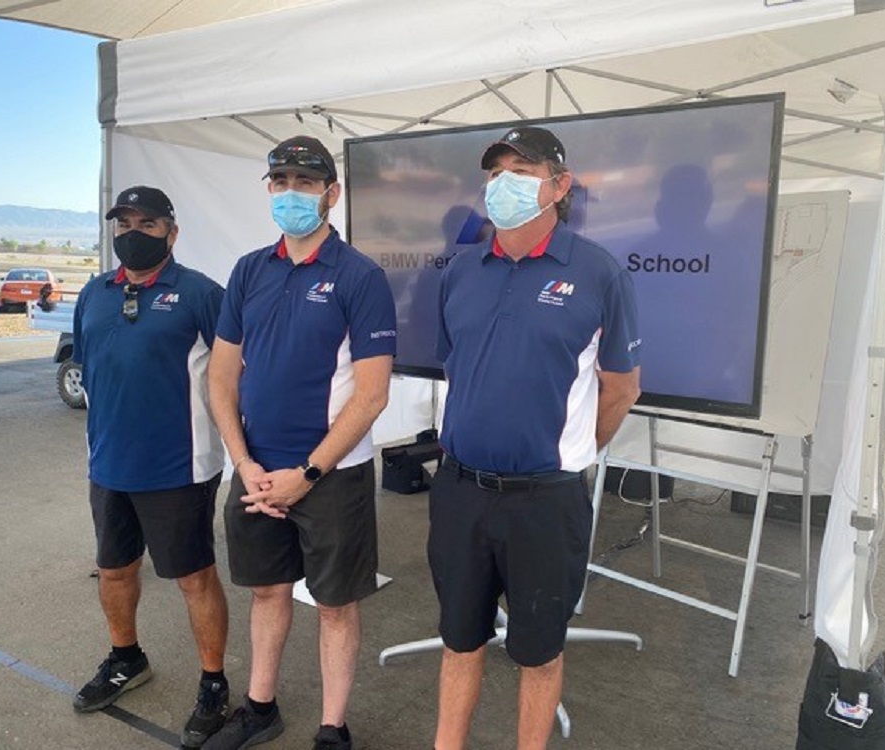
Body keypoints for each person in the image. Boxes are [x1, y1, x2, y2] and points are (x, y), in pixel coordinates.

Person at [430, 126, 642, 750]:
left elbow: (622, 388)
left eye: (522, 170)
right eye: (495, 172)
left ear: (560, 185)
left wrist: (575, 453)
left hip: (546, 502)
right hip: (460, 492)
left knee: (538, 652)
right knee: (459, 640)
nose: (504, 184)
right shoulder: (462, 271)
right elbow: (457, 367)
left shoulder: (598, 273)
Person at [205, 136, 396, 750]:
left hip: (330, 476)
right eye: (280, 181)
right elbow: (221, 377)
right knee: (267, 590)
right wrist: (244, 463)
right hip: (257, 469)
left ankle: (332, 728)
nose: (291, 192)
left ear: (332, 194)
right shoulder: (248, 270)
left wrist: (306, 474)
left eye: (305, 182)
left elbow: (371, 396)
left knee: (336, 605)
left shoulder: (360, 277)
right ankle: (260, 708)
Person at [71, 185, 231, 750]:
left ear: (172, 230)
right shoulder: (93, 293)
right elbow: (90, 371)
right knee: (114, 571)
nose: (133, 233)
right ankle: (125, 657)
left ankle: (213, 682)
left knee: (193, 579)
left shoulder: (201, 294)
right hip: (109, 464)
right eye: (124, 223)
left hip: (179, 469)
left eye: (147, 223)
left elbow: (233, 378)